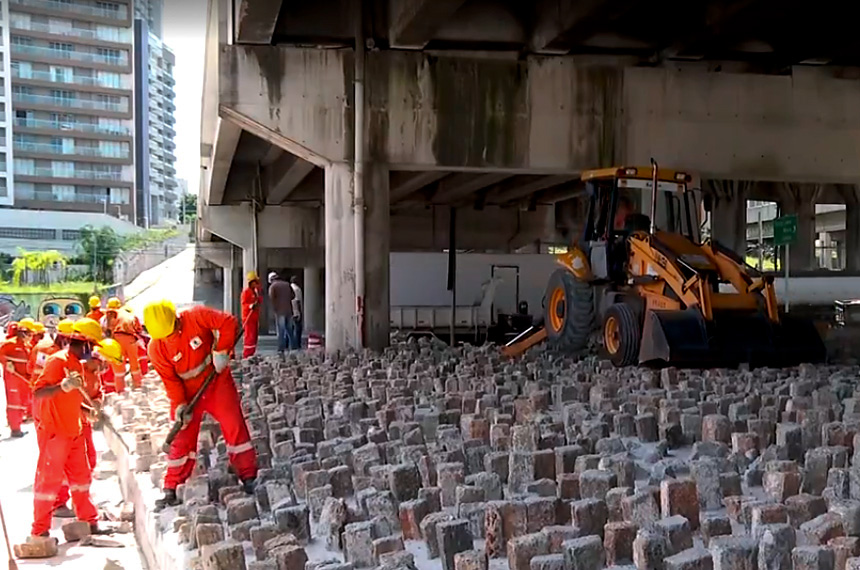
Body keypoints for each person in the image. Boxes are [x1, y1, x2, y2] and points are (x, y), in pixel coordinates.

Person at [143, 300, 258, 509]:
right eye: (164, 336)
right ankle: (172, 487)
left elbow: (228, 323)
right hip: (187, 394)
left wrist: (221, 351)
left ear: (176, 319)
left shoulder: (196, 317)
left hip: (216, 382)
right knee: (181, 437)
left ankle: (248, 475)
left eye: (173, 331)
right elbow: (171, 381)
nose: (170, 337)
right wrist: (179, 405)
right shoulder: (156, 349)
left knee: (234, 425)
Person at [30, 317, 109, 538]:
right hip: (56, 432)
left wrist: (86, 410)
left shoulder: (77, 364)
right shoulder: (58, 360)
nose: (92, 351)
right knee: (49, 482)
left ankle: (89, 522)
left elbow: (72, 399)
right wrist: (62, 386)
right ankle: (40, 531)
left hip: (73, 431)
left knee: (82, 479)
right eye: (91, 346)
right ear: (82, 342)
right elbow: (38, 392)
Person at [0, 318, 34, 436]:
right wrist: (6, 362)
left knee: (22, 402)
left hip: (23, 378)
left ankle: (17, 424)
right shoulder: (10, 344)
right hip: (13, 378)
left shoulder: (27, 346)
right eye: (30, 334)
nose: (31, 336)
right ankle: (15, 428)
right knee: (14, 402)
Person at [103, 298, 142, 391]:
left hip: (116, 339)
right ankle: (138, 386)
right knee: (134, 364)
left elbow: (106, 329)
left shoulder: (110, 314)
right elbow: (138, 329)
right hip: (130, 339)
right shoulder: (130, 315)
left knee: (118, 366)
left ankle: (120, 390)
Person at [268, 272, 295, 354]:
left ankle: (281, 348)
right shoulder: (287, 284)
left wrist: (275, 308)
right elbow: (293, 296)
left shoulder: (273, 286)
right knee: (290, 330)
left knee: (281, 330)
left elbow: (271, 298)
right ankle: (293, 346)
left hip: (280, 311)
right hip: (289, 310)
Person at [240, 271, 263, 357]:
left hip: (254, 318)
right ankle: (247, 354)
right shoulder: (246, 292)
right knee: (249, 336)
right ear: (251, 282)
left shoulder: (255, 292)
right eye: (255, 282)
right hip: (248, 318)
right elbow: (244, 304)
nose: (257, 284)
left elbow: (259, 301)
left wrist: (259, 291)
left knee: (254, 336)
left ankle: (252, 353)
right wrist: (250, 306)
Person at [289, 276, 304, 350]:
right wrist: (299, 311)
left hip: (289, 310)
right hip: (296, 310)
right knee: (297, 328)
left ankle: (291, 344)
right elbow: (297, 301)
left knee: (290, 328)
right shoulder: (297, 289)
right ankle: (296, 344)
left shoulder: (288, 288)